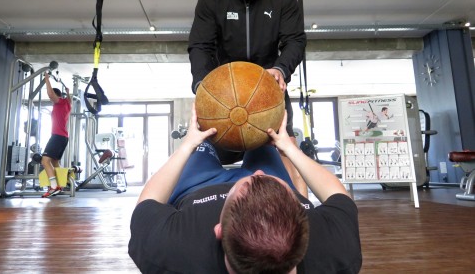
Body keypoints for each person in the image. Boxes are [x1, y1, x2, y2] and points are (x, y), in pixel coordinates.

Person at [129, 105, 362, 273]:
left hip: (197, 187)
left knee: (204, 139)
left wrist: (188, 144)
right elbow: (337, 194)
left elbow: (149, 200)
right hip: (245, 189)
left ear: (218, 230)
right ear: (306, 232)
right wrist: (289, 149)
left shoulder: (169, 252)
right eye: (266, 181)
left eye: (252, 181)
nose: (257, 174)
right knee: (263, 137)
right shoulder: (336, 251)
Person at [187, 0, 307, 192]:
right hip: (224, 94)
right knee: (197, 154)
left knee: (289, 154)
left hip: (269, 89)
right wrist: (202, 84)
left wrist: (281, 68)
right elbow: (200, 46)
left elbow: (295, 41)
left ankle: (305, 212)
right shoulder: (211, 0)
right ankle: (196, 217)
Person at [41, 72, 72, 198]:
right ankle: (61, 184)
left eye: (52, 98)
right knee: (54, 162)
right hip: (63, 137)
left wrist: (47, 79)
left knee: (45, 160)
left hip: (57, 136)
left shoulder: (59, 102)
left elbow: (50, 93)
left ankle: (53, 187)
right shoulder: (67, 104)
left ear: (57, 96)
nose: (50, 99)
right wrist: (68, 92)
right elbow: (69, 99)